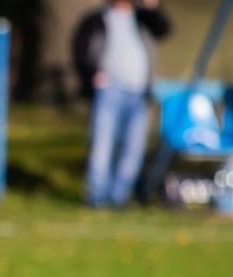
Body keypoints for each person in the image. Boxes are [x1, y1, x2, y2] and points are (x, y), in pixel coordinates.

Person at [72, 0, 172, 207]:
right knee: (102, 144)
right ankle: (97, 197)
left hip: (139, 92)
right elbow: (80, 49)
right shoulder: (97, 19)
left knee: (133, 149)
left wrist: (152, 7)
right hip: (109, 90)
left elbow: (164, 31)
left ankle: (119, 197)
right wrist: (91, 75)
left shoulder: (142, 19)